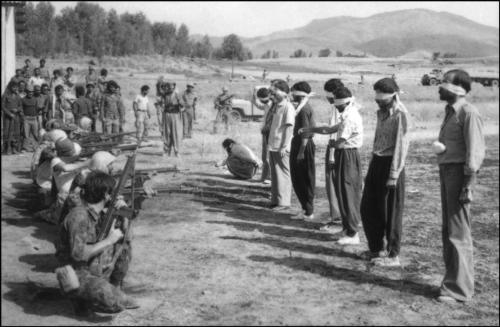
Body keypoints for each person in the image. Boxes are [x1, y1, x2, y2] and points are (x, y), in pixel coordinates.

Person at [55, 171, 139, 315]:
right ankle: (80, 298)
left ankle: (114, 286)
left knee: (124, 246)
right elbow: (78, 255)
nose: (115, 196)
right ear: (106, 194)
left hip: (95, 267)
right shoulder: (79, 216)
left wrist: (124, 215)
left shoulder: (102, 213)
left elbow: (128, 237)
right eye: (113, 193)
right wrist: (109, 240)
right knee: (116, 302)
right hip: (76, 274)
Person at [435, 69, 485, 303]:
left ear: (457, 88)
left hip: (459, 175)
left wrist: (468, 184)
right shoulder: (450, 112)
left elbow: (474, 152)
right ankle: (452, 282)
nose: (439, 86)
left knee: (458, 233)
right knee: (449, 231)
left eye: (443, 83)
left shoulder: (468, 112)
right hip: (447, 172)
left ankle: (460, 290)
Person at [301, 86, 364, 244]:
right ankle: (346, 229)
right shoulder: (346, 115)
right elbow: (330, 129)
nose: (336, 107)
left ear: (345, 103)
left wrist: (332, 144)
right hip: (343, 154)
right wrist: (310, 129)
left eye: (337, 105)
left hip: (347, 156)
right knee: (341, 192)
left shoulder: (350, 117)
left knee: (348, 193)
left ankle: (353, 234)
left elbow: (340, 143)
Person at [360, 77, 410, 267]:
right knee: (368, 207)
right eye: (376, 99)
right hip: (377, 162)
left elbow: (401, 146)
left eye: (382, 99)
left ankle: (393, 255)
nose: (378, 102)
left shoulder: (401, 115)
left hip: (392, 165)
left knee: (391, 211)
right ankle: (376, 249)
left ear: (393, 96)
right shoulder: (381, 113)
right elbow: (377, 142)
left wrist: (393, 174)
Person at [35, 138, 87, 224]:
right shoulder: (56, 160)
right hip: (63, 196)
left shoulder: (73, 159)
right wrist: (85, 163)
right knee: (55, 217)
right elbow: (65, 168)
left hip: (71, 195)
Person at [289, 81, 316, 220]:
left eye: (293, 92)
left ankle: (308, 211)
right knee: (297, 177)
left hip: (303, 145)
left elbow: (305, 132)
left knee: (304, 178)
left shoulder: (304, 109)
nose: (291, 94)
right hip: (299, 143)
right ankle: (305, 209)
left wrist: (301, 151)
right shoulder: (301, 107)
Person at [267, 79, 295, 211]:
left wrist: (284, 146)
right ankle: (276, 200)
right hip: (273, 144)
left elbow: (289, 128)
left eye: (275, 91)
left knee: (283, 173)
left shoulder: (288, 107)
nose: (272, 93)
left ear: (284, 92)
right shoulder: (277, 106)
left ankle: (284, 202)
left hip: (281, 146)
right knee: (275, 173)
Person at [251, 86, 273, 184]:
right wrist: (254, 93)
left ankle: (270, 177)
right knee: (264, 157)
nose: (261, 101)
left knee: (269, 156)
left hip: (271, 133)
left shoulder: (273, 104)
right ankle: (264, 176)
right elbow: (256, 103)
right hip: (265, 132)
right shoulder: (266, 105)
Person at [155, 82, 183, 157]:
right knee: (167, 133)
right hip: (166, 115)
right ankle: (166, 151)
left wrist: (180, 106)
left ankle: (177, 151)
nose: (170, 88)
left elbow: (182, 105)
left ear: (174, 87)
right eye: (169, 87)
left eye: (172, 87)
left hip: (175, 115)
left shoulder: (177, 95)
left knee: (175, 133)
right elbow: (159, 99)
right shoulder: (164, 95)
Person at [2, 81, 23, 154]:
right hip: (7, 118)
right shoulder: (5, 96)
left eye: (16, 87)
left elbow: (20, 106)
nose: (15, 88)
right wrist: (9, 114)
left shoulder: (18, 96)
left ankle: (14, 148)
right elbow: (3, 107)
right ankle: (7, 148)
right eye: (13, 87)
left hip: (16, 117)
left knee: (16, 132)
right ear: (10, 87)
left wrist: (17, 109)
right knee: (7, 132)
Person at [21, 85, 40, 152]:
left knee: (35, 133)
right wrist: (23, 116)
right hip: (26, 118)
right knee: (26, 134)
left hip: (34, 118)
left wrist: (36, 116)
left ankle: (35, 147)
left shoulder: (35, 99)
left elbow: (37, 108)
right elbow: (21, 109)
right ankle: (26, 148)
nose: (30, 93)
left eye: (31, 92)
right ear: (26, 92)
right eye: (29, 92)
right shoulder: (23, 99)